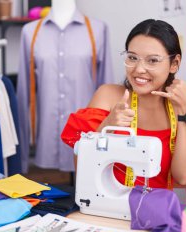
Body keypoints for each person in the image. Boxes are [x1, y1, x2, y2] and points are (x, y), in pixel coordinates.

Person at [61, 19, 186, 189]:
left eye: (152, 60)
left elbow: (184, 178)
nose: (138, 69)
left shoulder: (180, 109)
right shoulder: (108, 97)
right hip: (105, 210)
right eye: (132, 57)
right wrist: (106, 126)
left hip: (155, 211)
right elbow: (82, 170)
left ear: (174, 64)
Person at [17, 0, 114, 174]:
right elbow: (23, 95)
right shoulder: (30, 32)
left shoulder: (98, 29)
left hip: (88, 138)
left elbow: (107, 88)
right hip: (46, 139)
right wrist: (21, 161)